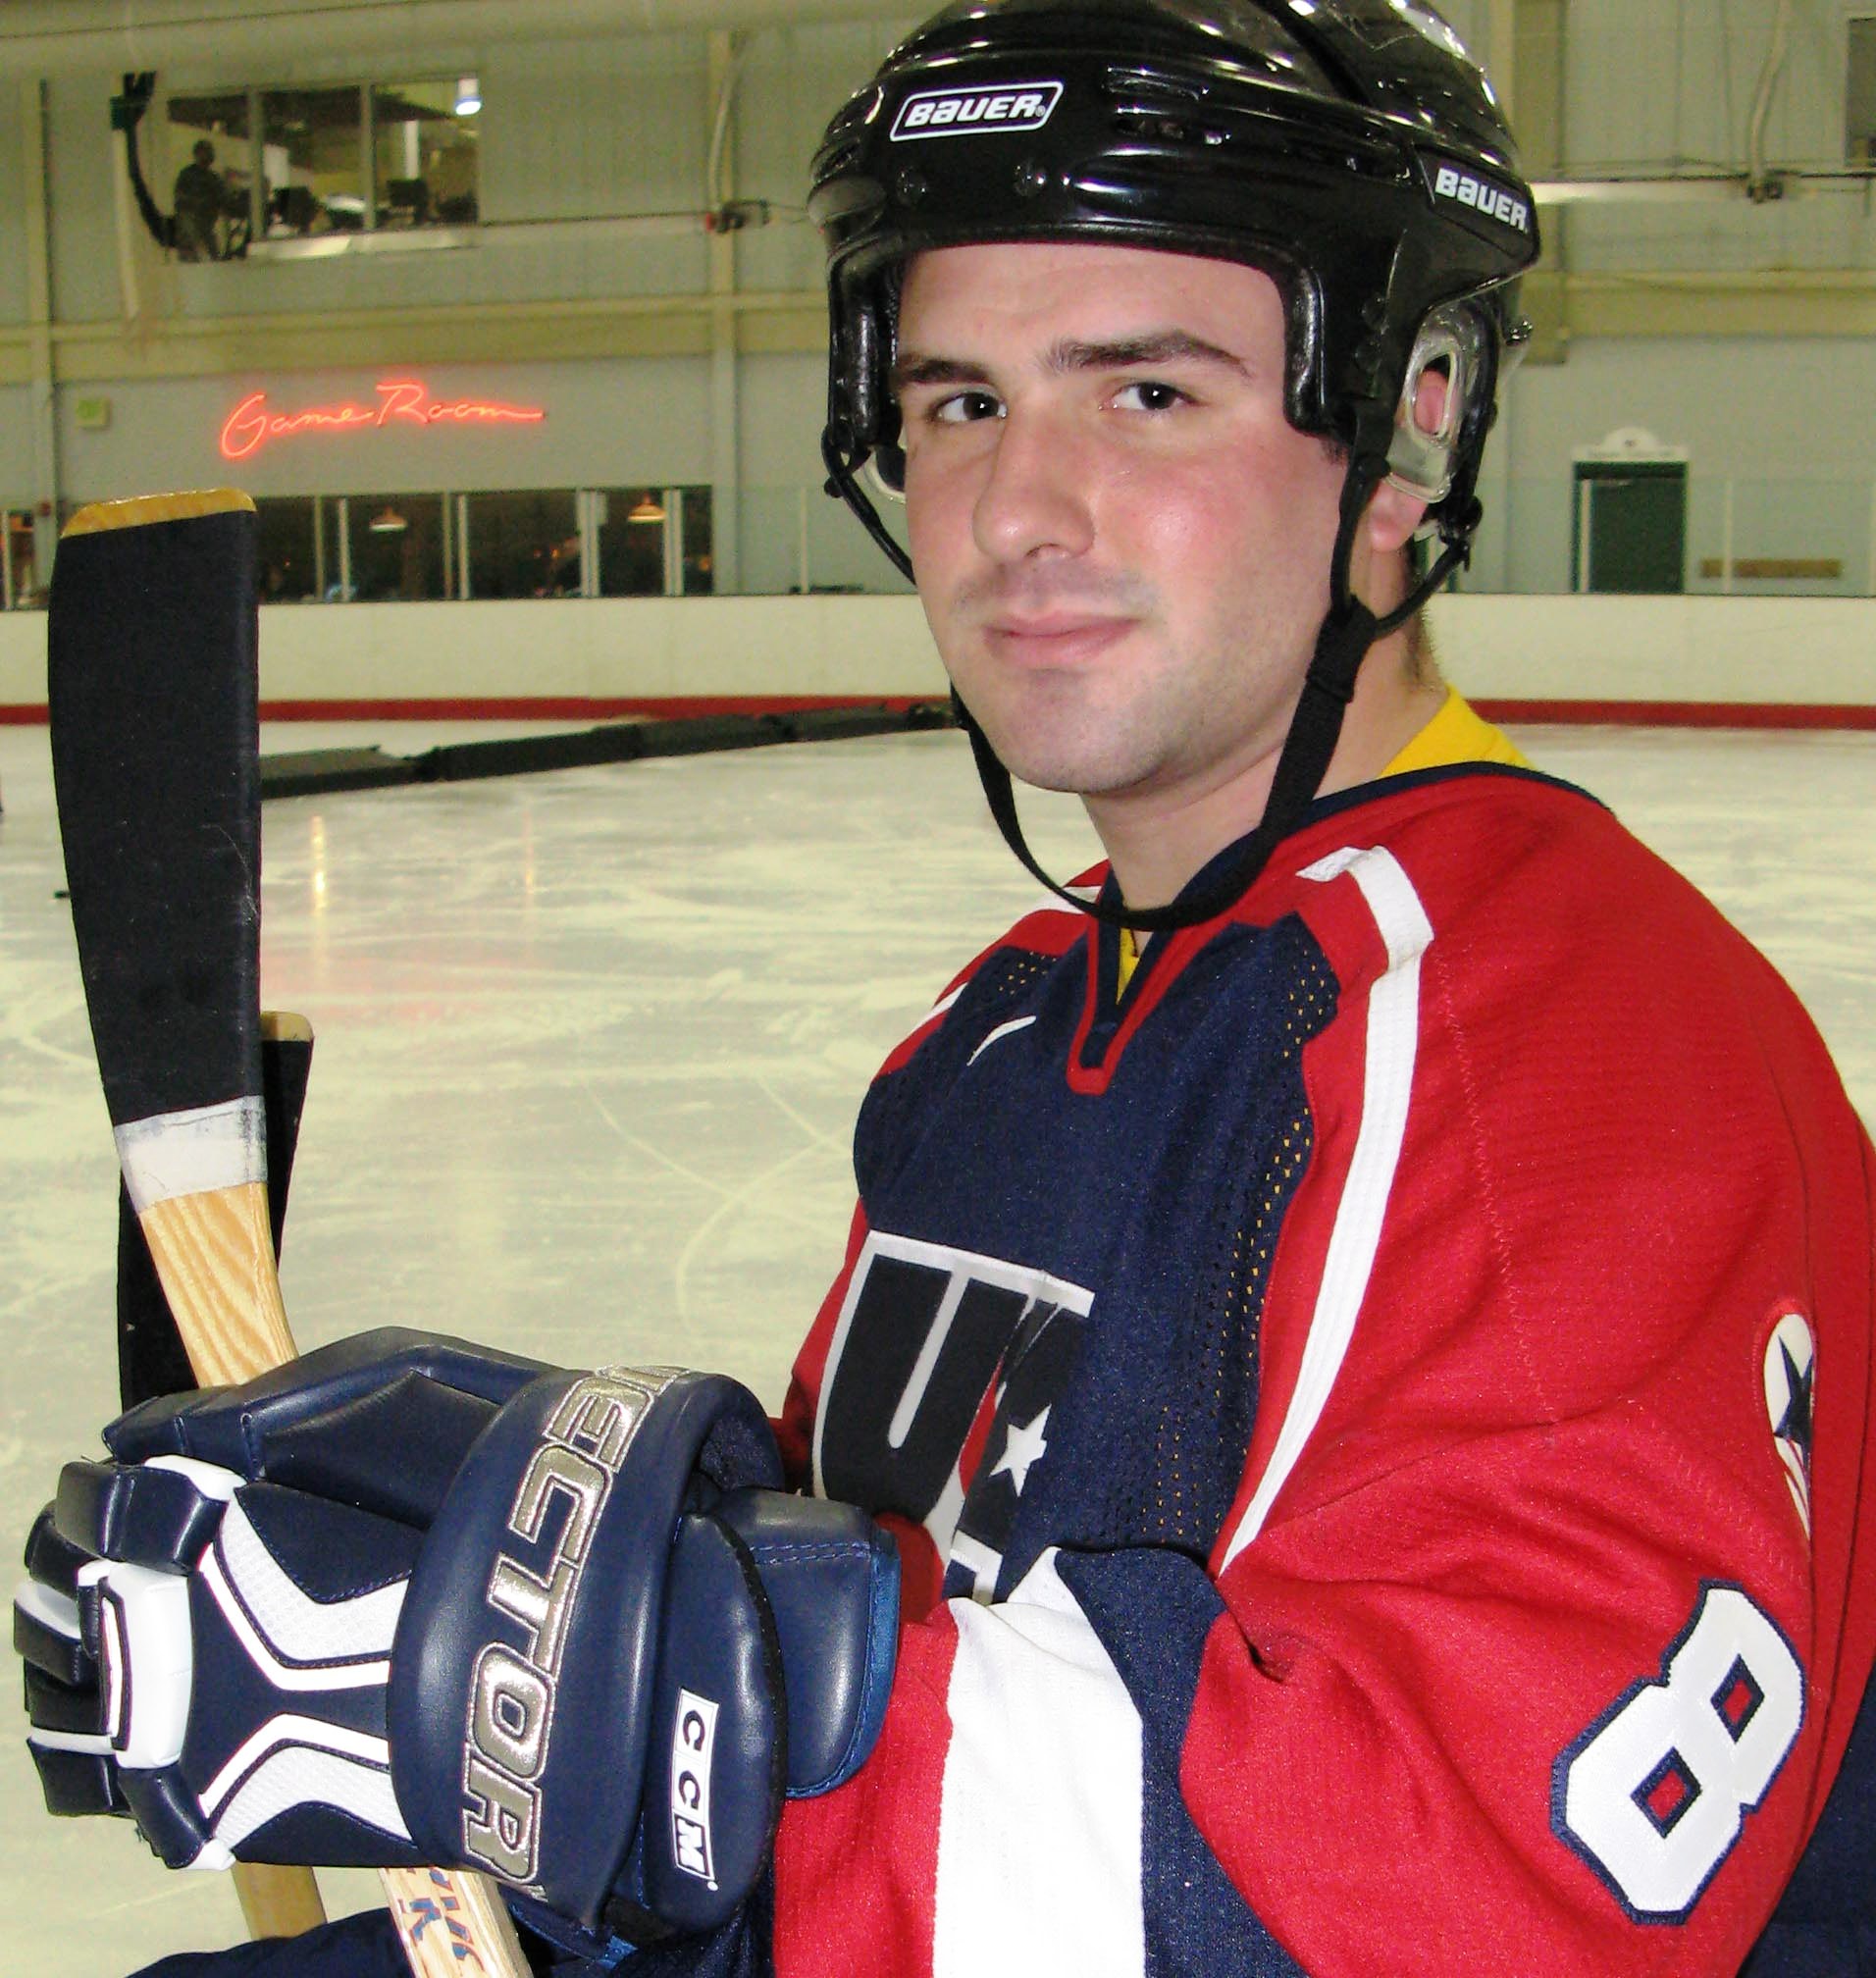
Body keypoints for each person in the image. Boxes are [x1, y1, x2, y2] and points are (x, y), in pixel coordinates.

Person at [16, 4, 1876, 1975]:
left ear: (1408, 428)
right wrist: (531, 1626)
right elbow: (899, 1693)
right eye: (957, 403)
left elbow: (1437, 1914)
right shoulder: (1002, 1030)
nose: (1012, 511)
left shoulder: (1558, 1049)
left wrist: (650, 1715)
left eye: (1144, 395)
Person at [172, 139, 229, 263]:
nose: (205, 156)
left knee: (211, 247)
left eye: (208, 153)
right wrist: (195, 202)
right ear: (197, 154)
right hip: (190, 216)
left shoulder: (214, 178)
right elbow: (179, 197)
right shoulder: (187, 174)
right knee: (188, 230)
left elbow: (222, 199)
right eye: (203, 152)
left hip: (206, 220)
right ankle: (190, 257)